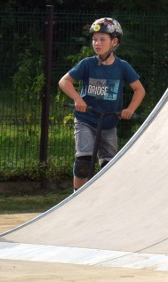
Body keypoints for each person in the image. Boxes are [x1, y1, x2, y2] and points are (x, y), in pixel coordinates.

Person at [59, 17, 145, 191]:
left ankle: (103, 199)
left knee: (109, 166)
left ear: (114, 42)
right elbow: (64, 81)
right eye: (94, 39)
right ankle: (76, 198)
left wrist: (129, 109)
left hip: (109, 123)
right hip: (86, 120)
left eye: (102, 39)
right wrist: (78, 99)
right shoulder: (87, 64)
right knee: (84, 161)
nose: (97, 43)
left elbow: (139, 90)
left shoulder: (122, 67)